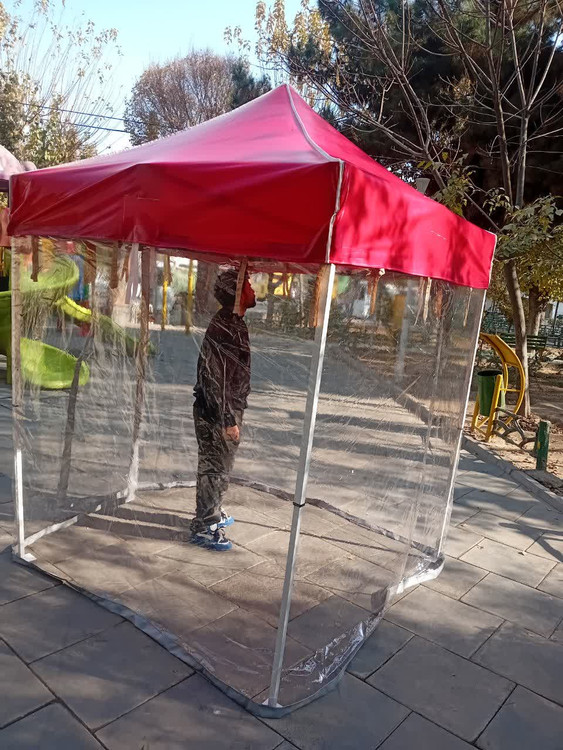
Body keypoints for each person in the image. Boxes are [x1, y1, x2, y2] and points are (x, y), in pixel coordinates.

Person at [191, 267, 256, 550]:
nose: (253, 289)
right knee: (215, 467)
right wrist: (228, 419)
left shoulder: (233, 322)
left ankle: (210, 512)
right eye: (247, 284)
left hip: (220, 409)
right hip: (217, 412)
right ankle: (207, 524)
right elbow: (216, 377)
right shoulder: (227, 325)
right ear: (236, 291)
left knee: (217, 467)